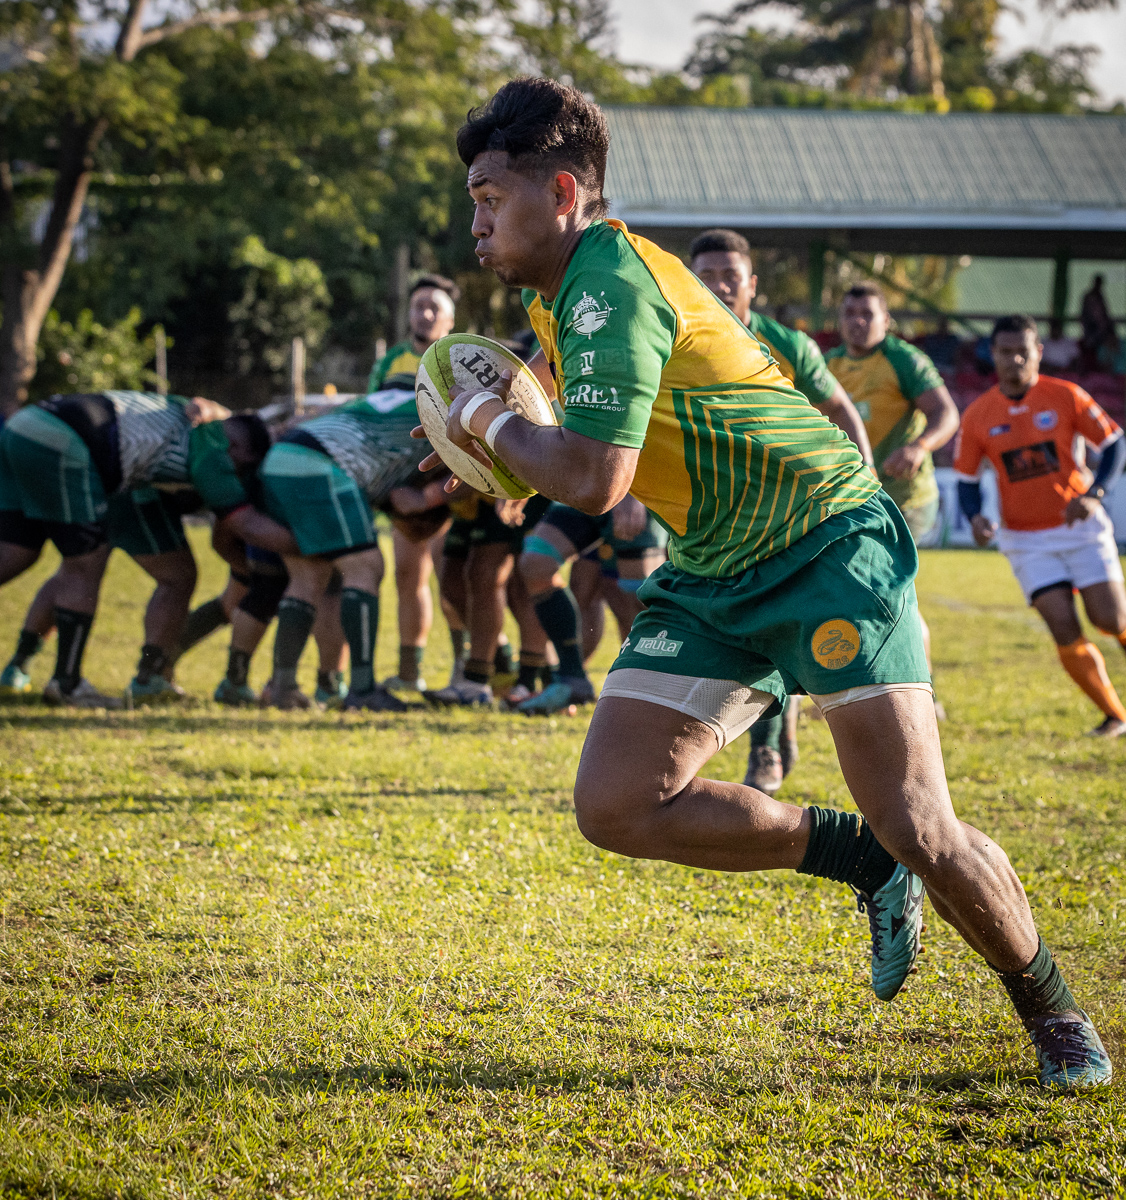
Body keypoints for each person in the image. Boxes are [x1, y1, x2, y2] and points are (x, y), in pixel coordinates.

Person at [417, 76, 1110, 1088]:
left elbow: (598, 478)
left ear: (562, 193)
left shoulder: (610, 284)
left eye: (488, 198)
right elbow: (572, 434)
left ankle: (1052, 1008)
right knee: (617, 803)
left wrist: (482, 422)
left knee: (919, 822)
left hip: (825, 544)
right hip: (716, 562)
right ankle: (856, 858)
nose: (474, 221)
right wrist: (498, 455)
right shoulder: (556, 296)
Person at [688, 228, 875, 794]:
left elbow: (840, 408)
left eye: (730, 276)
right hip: (710, 511)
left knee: (772, 621)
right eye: (705, 276)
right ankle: (777, 724)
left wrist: (865, 486)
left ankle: (765, 751)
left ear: (752, 284)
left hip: (791, 510)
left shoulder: (790, 346)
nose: (719, 286)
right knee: (738, 626)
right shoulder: (676, 340)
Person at [0, 392, 291, 706]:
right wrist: (317, 550)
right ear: (238, 449)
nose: (240, 473)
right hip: (71, 441)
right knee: (109, 568)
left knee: (17, 553)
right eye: (244, 465)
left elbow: (203, 407)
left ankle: (19, 666)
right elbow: (242, 525)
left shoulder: (205, 422)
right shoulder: (215, 450)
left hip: (25, 424)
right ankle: (101, 681)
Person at [956, 315, 1126, 737]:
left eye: (1023, 351)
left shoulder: (1066, 395)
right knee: (1063, 626)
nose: (1014, 359)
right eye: (1005, 351)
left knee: (1110, 618)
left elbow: (1114, 444)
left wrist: (1095, 494)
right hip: (1025, 540)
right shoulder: (978, 415)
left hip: (1081, 529)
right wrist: (976, 518)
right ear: (993, 355)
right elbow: (966, 481)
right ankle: (1116, 716)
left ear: (1038, 353)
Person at [827, 283, 959, 716]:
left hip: (907, 499)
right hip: (854, 501)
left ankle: (920, 693)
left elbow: (946, 413)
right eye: (850, 313)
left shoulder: (904, 360)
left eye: (867, 313)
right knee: (866, 590)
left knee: (888, 589)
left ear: (886, 320)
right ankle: (875, 688)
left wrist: (919, 447)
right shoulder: (828, 365)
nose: (858, 321)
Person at [368, 275, 460, 695]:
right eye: (417, 306)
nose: (424, 314)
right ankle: (410, 672)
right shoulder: (390, 362)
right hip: (402, 487)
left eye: (433, 307)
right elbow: (372, 414)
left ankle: (468, 670)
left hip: (453, 487)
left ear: (450, 320)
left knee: (451, 578)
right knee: (408, 576)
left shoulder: (461, 358)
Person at [1079, 275, 1114, 375]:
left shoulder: (1100, 296)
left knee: (1102, 354)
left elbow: (1104, 315)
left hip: (1100, 332)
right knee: (1089, 352)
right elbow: (1085, 315)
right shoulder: (1089, 296)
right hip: (1090, 330)